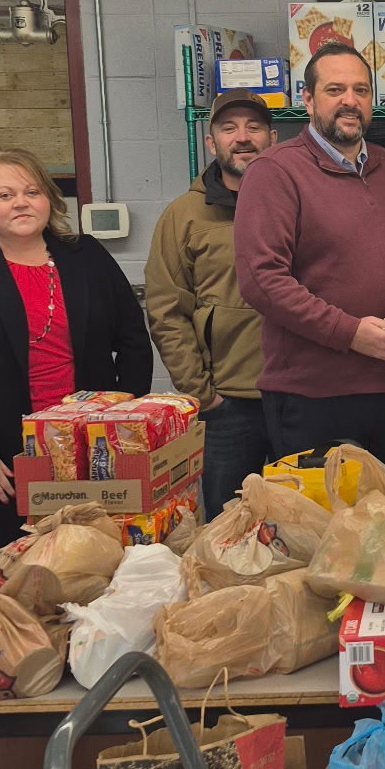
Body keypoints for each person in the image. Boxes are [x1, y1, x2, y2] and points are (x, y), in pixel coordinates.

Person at [0, 146, 151, 550]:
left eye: (32, 192)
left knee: (95, 562)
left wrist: (124, 425)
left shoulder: (86, 256)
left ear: (49, 200)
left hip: (88, 446)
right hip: (0, 458)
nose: (20, 202)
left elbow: (133, 340)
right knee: (23, 572)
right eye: (4, 195)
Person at [233, 40, 385, 468]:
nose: (350, 101)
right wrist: (351, 333)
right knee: (320, 531)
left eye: (361, 90)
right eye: (335, 90)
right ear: (307, 99)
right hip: (313, 398)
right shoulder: (275, 171)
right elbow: (262, 280)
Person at [145, 89, 277, 517]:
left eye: (254, 128)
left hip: (299, 398)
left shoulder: (295, 203)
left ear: (271, 138)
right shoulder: (184, 215)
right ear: (211, 141)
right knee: (227, 531)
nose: (242, 138)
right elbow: (166, 311)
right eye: (229, 128)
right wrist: (201, 395)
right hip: (228, 408)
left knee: (300, 528)